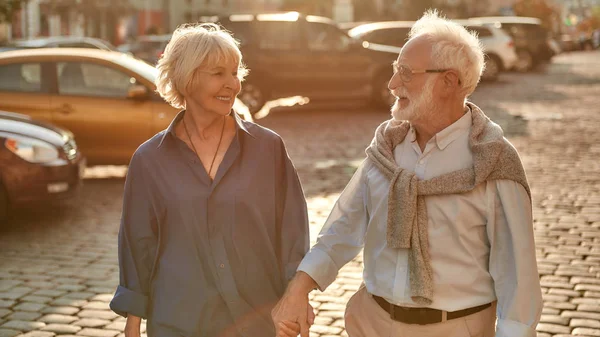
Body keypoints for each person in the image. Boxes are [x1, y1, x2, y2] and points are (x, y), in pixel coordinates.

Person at [272, 11, 542, 337]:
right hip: (370, 323)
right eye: (394, 70)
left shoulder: (494, 160)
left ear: (449, 81)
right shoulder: (385, 148)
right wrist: (298, 289)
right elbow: (342, 228)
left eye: (405, 72)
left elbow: (517, 275)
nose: (392, 83)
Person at [109, 23, 311, 337]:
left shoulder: (268, 148)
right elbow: (138, 243)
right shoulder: (149, 160)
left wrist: (297, 296)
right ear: (186, 78)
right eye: (218, 73)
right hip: (178, 322)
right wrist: (133, 320)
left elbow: (292, 230)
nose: (232, 84)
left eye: (235, 73)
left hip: (257, 320)